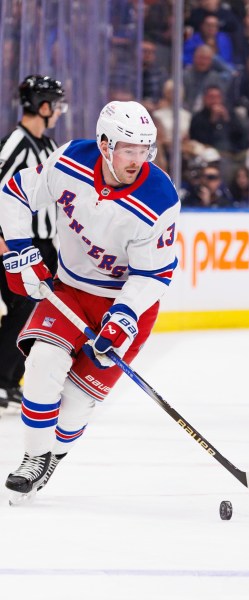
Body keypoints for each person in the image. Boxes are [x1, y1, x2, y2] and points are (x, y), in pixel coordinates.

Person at [0, 101, 180, 502]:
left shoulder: (159, 198)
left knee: (76, 406)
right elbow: (14, 191)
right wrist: (19, 250)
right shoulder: (69, 161)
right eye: (128, 149)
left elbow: (154, 275)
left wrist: (123, 317)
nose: (138, 160)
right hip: (70, 291)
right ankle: (33, 457)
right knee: (43, 362)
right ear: (103, 144)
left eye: (144, 149)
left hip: (126, 304)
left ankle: (52, 457)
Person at [0, 75, 67, 414]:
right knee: (25, 308)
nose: (58, 112)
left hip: (45, 244)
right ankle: (2, 377)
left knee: (42, 311)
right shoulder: (15, 144)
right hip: (16, 243)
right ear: (43, 106)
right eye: (55, 105)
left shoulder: (49, 147)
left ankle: (11, 379)